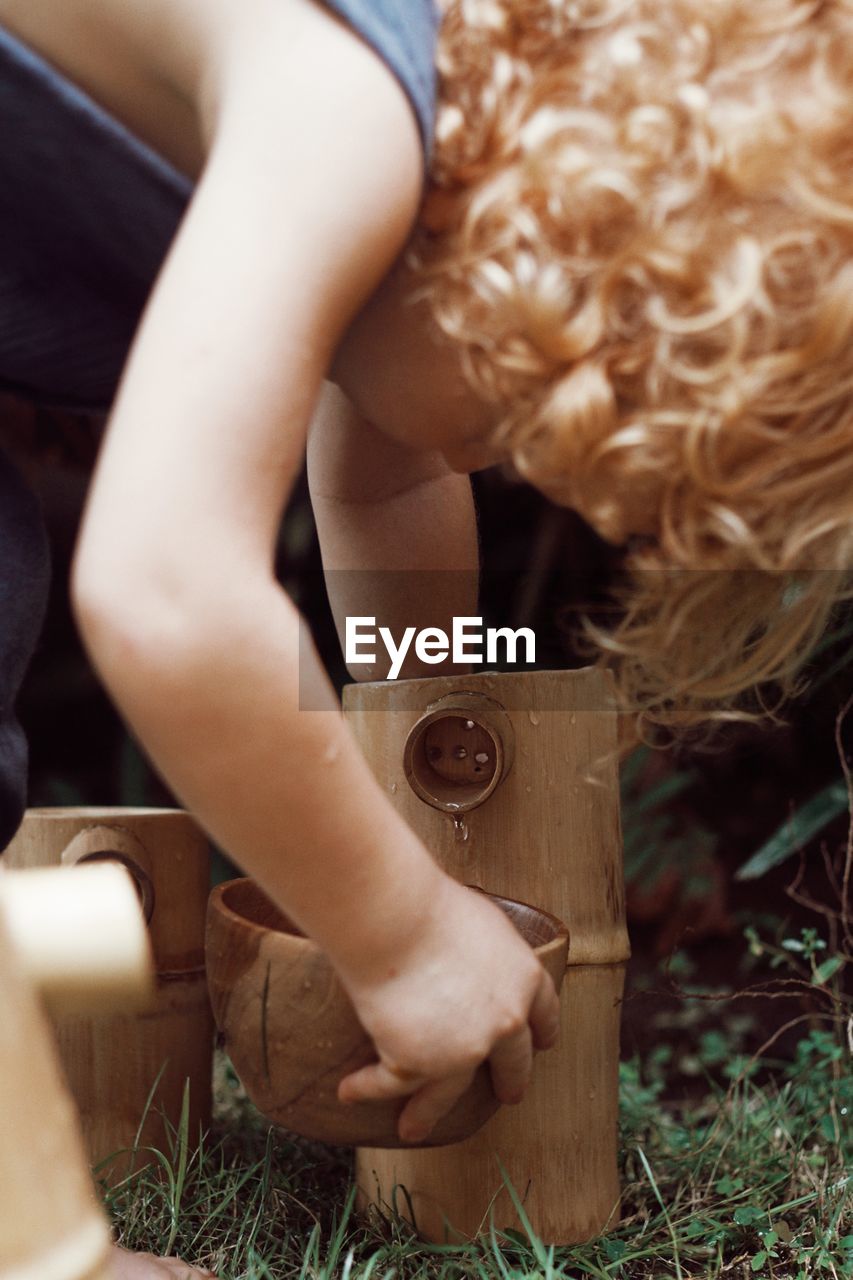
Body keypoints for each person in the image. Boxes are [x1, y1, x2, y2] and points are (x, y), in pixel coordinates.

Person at [2, 0, 852, 1275]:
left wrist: (423, 743)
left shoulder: (421, 174)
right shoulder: (347, 115)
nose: (499, 461)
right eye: (525, 421)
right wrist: (396, 930)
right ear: (538, 267)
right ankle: (41, 1248)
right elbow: (169, 594)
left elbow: (386, 474)